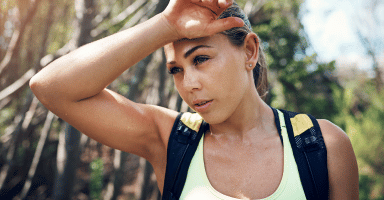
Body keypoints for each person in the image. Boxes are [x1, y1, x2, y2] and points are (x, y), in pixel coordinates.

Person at [29, 0, 359, 199]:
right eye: (175, 70)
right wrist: (165, 25)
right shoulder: (170, 140)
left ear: (249, 51)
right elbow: (51, 87)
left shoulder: (321, 146)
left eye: (200, 59)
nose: (188, 84)